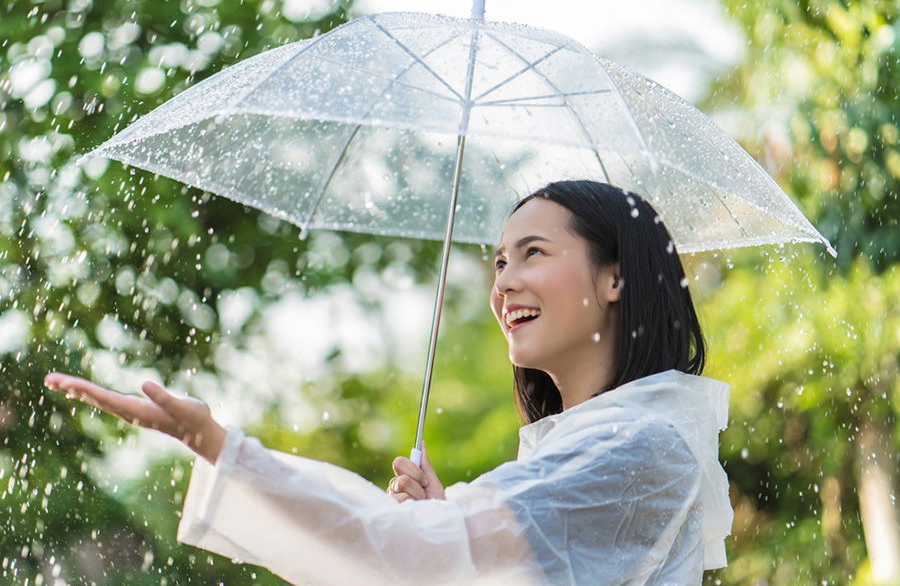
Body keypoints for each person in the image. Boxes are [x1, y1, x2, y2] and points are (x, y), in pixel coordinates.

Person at [44, 180, 733, 585]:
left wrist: (220, 443)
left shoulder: (641, 448)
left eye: (533, 253)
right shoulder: (584, 447)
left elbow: (397, 552)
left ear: (616, 278)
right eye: (497, 262)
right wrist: (443, 523)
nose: (504, 282)